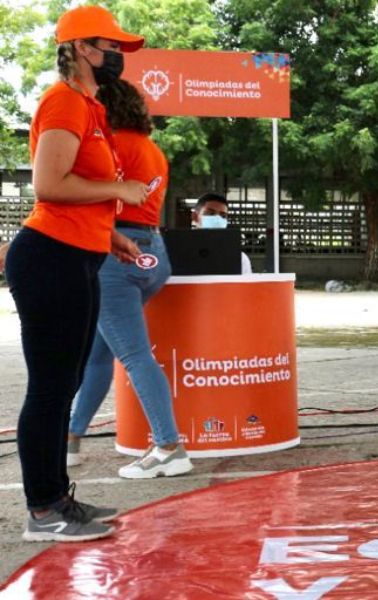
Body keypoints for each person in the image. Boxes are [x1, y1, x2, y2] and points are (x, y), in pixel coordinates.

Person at [4, 5, 147, 542]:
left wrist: (112, 236)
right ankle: (43, 511)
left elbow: (77, 192)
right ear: (83, 48)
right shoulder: (63, 101)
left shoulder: (90, 108)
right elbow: (48, 185)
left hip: (78, 254)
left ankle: (59, 498)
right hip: (49, 257)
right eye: (112, 48)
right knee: (50, 388)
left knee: (64, 384)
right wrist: (120, 190)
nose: (117, 57)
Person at [66, 79, 193, 479]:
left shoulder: (109, 146)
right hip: (153, 251)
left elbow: (81, 193)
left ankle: (169, 446)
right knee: (102, 354)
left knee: (134, 356)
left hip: (114, 253)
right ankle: (70, 437)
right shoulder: (153, 150)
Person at [191, 192, 253, 274]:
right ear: (195, 217)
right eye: (210, 213)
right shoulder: (176, 254)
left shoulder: (239, 258)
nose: (217, 219)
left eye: (223, 216)